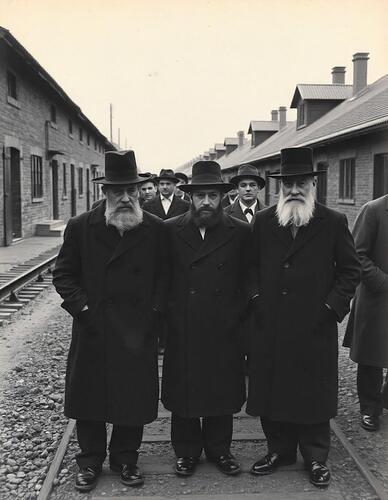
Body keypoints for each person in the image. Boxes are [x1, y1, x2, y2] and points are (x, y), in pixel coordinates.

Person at [53, 150, 168, 492]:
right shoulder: (81, 227)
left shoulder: (156, 229)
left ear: (139, 191)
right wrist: (85, 310)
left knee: (131, 398)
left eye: (131, 190)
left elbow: (166, 278)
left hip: (137, 328)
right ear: (104, 193)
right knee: (90, 399)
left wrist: (153, 314)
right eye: (117, 191)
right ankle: (89, 462)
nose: (125, 197)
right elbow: (64, 276)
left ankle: (125, 459)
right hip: (94, 328)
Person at [247, 147, 360, 488]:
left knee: (312, 393)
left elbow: (350, 272)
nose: (294, 189)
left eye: (301, 182)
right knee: (273, 389)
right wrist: (256, 301)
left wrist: (330, 309)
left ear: (312, 183)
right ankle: (278, 450)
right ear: (280, 188)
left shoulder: (333, 221)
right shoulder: (264, 221)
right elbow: (249, 267)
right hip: (272, 324)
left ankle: (315, 457)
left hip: (314, 325)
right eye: (288, 184)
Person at [162, 160, 256, 478]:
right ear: (189, 197)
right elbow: (162, 279)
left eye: (212, 196)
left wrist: (238, 317)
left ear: (221, 198)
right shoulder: (170, 229)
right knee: (184, 390)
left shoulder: (240, 231)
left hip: (224, 327)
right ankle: (186, 452)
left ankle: (220, 450)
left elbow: (249, 278)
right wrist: (169, 318)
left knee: (221, 390)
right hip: (183, 326)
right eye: (200, 195)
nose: (206, 202)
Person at [343, 194, 388, 431]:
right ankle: (370, 408)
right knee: (373, 355)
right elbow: (357, 254)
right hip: (377, 297)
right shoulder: (374, 210)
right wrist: (383, 282)